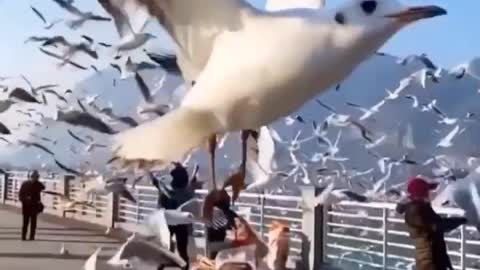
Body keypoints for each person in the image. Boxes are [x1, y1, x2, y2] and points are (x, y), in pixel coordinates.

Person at [396, 177, 468, 270]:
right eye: (426, 191)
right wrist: (462, 220)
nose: (429, 194)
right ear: (421, 193)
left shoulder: (421, 207)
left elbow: (436, 225)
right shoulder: (416, 210)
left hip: (432, 257)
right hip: (429, 260)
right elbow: (437, 225)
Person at [158, 163, 194, 266]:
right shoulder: (187, 192)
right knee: (182, 250)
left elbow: (161, 205)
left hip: (168, 221)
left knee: (164, 250)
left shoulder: (167, 191)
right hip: (181, 222)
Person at [18, 170, 45, 241]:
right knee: (26, 222)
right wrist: (25, 199)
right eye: (34, 176)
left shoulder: (37, 184)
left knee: (32, 222)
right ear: (31, 177)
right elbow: (20, 195)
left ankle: (31, 236)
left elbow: (43, 187)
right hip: (27, 205)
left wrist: (24, 199)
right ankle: (24, 236)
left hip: (33, 205)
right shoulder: (25, 184)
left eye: (36, 177)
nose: (35, 178)